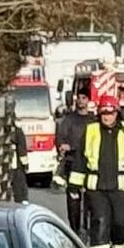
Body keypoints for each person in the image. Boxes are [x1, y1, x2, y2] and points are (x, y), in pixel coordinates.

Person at [70, 96, 124, 248]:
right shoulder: (91, 130)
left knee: (120, 223)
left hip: (119, 186)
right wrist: (75, 185)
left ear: (117, 113)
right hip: (96, 186)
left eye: (110, 113)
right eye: (104, 113)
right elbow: (80, 158)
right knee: (99, 222)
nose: (107, 117)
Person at [53, 93, 94, 228]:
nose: (81, 101)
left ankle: (89, 227)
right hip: (72, 163)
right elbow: (60, 138)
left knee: (91, 198)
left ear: (88, 100)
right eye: (79, 98)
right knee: (73, 199)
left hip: (90, 165)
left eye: (84, 98)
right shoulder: (69, 120)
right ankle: (74, 228)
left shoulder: (93, 121)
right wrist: (63, 147)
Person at [9, 123, 28, 203]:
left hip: (10, 165)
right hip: (16, 166)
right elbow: (22, 150)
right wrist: (26, 165)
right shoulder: (18, 132)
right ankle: (22, 203)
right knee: (19, 188)